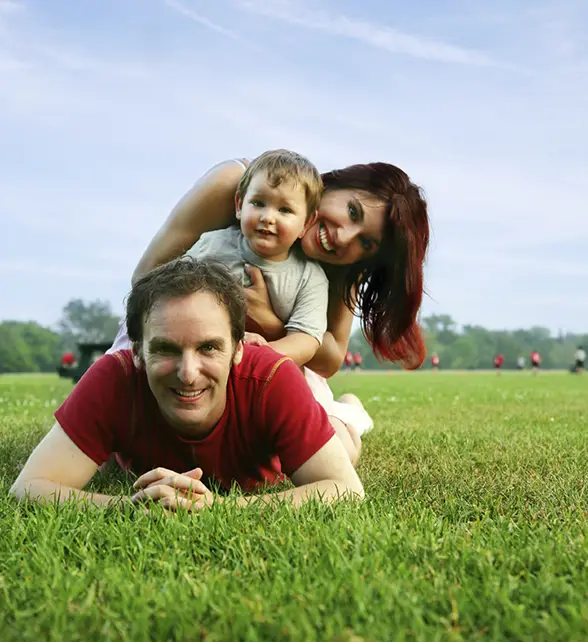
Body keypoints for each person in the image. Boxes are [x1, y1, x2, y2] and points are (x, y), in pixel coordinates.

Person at [128, 156, 430, 464]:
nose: (343, 237)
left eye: (366, 243)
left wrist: (267, 319)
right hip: (177, 333)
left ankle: (344, 413)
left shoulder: (335, 270)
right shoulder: (238, 186)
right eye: (352, 211)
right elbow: (145, 277)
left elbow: (328, 360)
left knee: (327, 452)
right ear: (332, 184)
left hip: (271, 358)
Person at [11, 258, 364, 511]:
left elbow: (346, 489)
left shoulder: (272, 376)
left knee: (345, 445)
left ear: (239, 349)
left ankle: (350, 409)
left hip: (292, 430)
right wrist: (129, 506)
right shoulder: (112, 375)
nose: (188, 373)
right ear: (137, 352)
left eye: (209, 347)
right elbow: (28, 488)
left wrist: (221, 508)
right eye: (166, 348)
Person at [111, 150, 328, 369]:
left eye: (285, 210)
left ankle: (348, 404)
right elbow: (170, 289)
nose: (267, 217)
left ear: (307, 223)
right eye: (258, 203)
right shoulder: (213, 245)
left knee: (307, 399)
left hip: (260, 368)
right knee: (119, 373)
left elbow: (306, 340)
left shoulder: (309, 276)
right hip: (195, 358)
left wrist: (259, 354)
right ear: (239, 206)